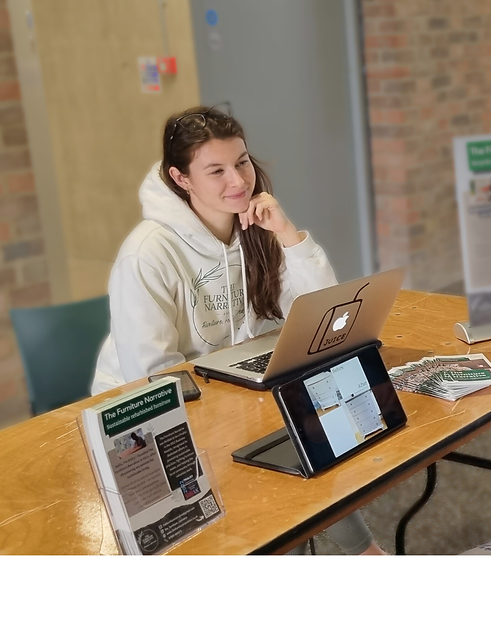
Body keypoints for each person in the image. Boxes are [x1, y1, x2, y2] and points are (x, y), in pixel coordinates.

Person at [92, 105, 385, 555]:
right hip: (145, 416)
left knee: (308, 421)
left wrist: (286, 231)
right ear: (181, 178)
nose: (238, 181)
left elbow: (322, 313)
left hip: (226, 385)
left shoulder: (254, 225)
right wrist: (235, 407)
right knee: (289, 435)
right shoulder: (147, 254)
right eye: (216, 171)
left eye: (242, 162)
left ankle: (364, 555)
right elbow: (152, 376)